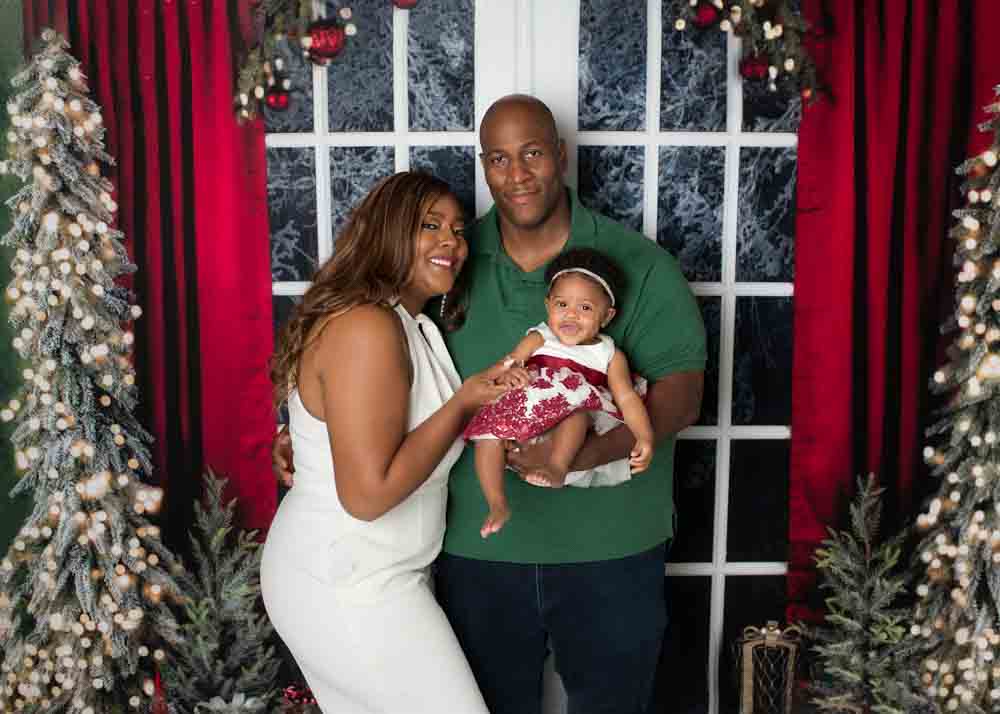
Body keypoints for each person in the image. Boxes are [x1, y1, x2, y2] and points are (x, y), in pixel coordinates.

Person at [274, 95, 705, 714]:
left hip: (610, 553)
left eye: (532, 153)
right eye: (499, 159)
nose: (517, 174)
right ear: (483, 166)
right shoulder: (447, 268)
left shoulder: (638, 265)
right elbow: (358, 383)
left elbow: (683, 394)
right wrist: (309, 435)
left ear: (561, 156)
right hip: (473, 557)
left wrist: (585, 453)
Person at [260, 172, 526, 713]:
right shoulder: (367, 326)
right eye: (430, 226)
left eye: (457, 229)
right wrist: (463, 404)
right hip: (345, 582)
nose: (452, 241)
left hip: (375, 574)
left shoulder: (409, 324)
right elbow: (368, 494)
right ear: (387, 232)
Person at [463, 246, 655, 538]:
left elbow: (627, 398)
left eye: (586, 308)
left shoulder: (609, 354)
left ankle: (556, 466)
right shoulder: (539, 337)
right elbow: (509, 362)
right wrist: (510, 373)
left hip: (567, 414)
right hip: (525, 408)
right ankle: (497, 501)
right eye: (561, 304)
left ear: (606, 316)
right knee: (488, 436)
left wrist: (644, 436)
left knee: (576, 418)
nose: (571, 316)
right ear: (547, 304)